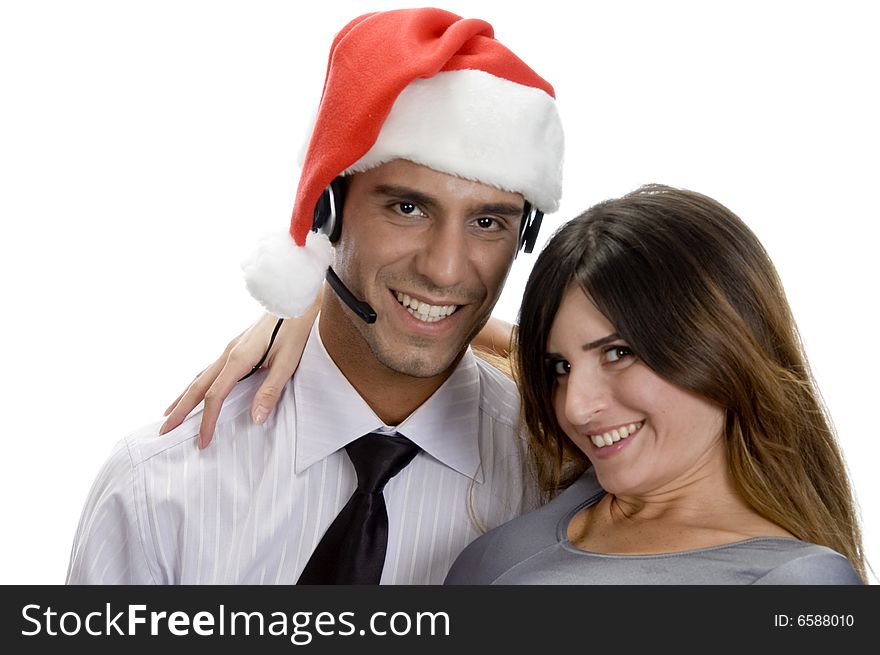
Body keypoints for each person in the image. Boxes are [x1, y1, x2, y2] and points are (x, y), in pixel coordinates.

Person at [65, 7, 564, 584]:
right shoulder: (156, 488)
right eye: (407, 207)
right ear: (325, 209)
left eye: (487, 223)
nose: (445, 269)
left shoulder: (569, 486)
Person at [444, 184, 866, 584]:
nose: (574, 407)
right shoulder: (573, 493)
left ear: (723, 349)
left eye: (618, 353)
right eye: (560, 367)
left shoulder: (797, 582)